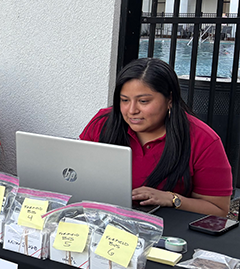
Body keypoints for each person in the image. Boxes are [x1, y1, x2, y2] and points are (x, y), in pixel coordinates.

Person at [80, 58, 232, 216]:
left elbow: (218, 210)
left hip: (166, 226)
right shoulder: (103, 122)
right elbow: (76, 174)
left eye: (143, 101)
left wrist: (172, 199)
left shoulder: (203, 140)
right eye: (124, 100)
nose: (132, 110)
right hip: (102, 220)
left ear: (169, 99)